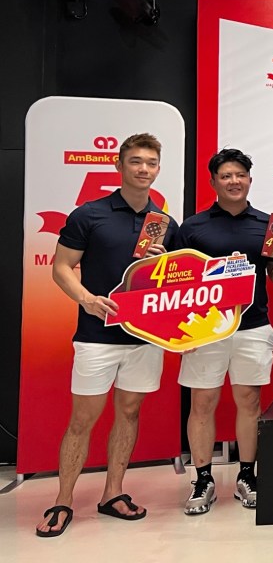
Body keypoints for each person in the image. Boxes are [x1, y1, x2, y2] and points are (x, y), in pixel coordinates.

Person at [36, 133, 178, 538]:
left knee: (129, 413)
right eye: (135, 161)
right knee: (82, 420)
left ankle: (112, 493)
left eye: (151, 163)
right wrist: (86, 300)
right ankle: (63, 500)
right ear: (119, 165)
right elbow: (61, 268)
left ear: (158, 168)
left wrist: (165, 265)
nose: (143, 169)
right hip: (96, 335)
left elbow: (175, 283)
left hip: (143, 337)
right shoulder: (89, 214)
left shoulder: (164, 224)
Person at [176, 149, 273, 515]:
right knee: (202, 404)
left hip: (253, 326)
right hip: (204, 329)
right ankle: (202, 480)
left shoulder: (267, 225)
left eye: (240, 175)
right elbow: (179, 283)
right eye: (226, 176)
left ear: (250, 180)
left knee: (249, 402)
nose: (234, 181)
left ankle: (246, 475)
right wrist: (181, 333)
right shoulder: (192, 227)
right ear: (213, 182)